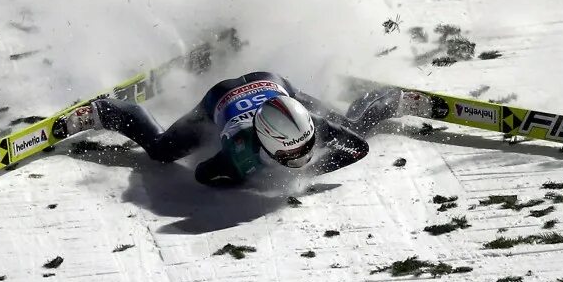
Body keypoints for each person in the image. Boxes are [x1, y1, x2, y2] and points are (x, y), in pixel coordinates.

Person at [52, 71, 401, 187]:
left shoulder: (313, 127)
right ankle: (110, 111)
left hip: (276, 85)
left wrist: (310, 173)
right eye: (292, 153)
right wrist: (240, 177)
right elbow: (204, 174)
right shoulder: (239, 149)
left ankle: (384, 100)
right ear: (264, 144)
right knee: (160, 150)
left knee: (353, 128)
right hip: (217, 99)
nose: (303, 155)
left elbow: (358, 148)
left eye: (306, 145)